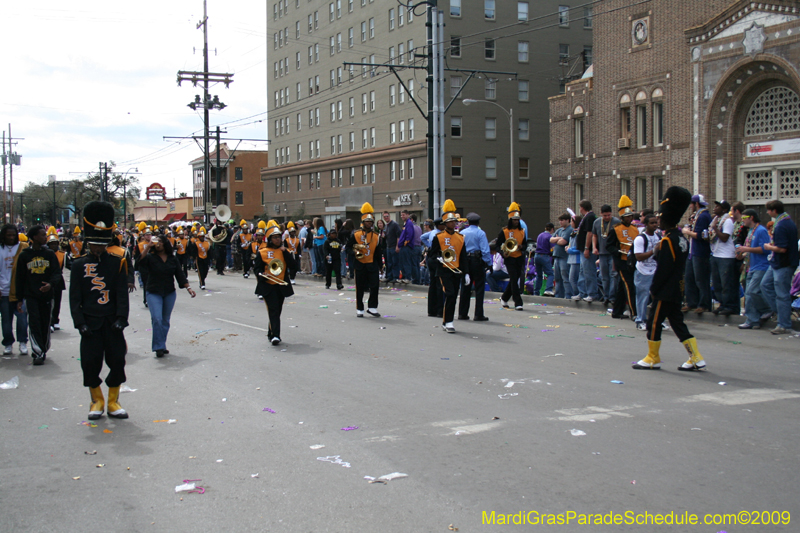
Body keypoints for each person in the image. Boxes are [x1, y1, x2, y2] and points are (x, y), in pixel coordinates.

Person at [633, 187, 706, 371]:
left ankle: (653, 357)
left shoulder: (667, 241)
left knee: (653, 323)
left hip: (665, 289)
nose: (658, 221)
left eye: (660, 218)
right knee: (677, 323)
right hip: (677, 287)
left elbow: (663, 269)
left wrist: (654, 289)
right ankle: (696, 357)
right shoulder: (681, 238)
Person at [69, 201, 131, 420]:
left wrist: (121, 318)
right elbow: (74, 298)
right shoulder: (78, 265)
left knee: (117, 361)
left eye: (101, 244)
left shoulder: (117, 262)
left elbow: (121, 294)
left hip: (112, 322)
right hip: (90, 322)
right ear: (88, 243)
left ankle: (113, 401)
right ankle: (97, 401)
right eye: (94, 244)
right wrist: (80, 323)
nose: (98, 248)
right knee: (90, 363)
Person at [138, 235, 196, 357]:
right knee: (157, 319)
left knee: (165, 320)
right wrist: (147, 247)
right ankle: (158, 347)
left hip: (169, 292)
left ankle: (161, 344)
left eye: (160, 241)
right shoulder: (150, 257)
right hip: (153, 292)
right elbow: (138, 263)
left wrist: (188, 288)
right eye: (156, 241)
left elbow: (179, 274)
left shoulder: (172, 259)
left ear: (165, 244)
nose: (158, 243)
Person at [12, 226, 61, 365]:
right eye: (42, 235)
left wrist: (50, 284)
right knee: (34, 323)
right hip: (31, 295)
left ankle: (43, 347)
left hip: (47, 296)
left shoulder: (49, 254)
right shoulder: (24, 255)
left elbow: (56, 273)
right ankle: (37, 352)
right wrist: (19, 299)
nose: (45, 237)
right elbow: (20, 278)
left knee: (45, 323)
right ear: (34, 237)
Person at [760, 200, 799, 334]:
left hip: (783, 263)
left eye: (768, 210)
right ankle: (782, 313)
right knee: (765, 285)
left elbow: (782, 248)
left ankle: (784, 324)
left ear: (774, 210)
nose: (767, 212)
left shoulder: (782, 225)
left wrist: (768, 247)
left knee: (782, 294)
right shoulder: (785, 222)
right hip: (777, 262)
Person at [253, 222, 295, 345]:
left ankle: (271, 332)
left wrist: (285, 252)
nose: (277, 239)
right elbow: (257, 269)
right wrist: (261, 274)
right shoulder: (262, 252)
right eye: (275, 237)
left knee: (277, 310)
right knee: (273, 310)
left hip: (281, 285)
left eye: (279, 237)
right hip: (268, 285)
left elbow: (293, 266)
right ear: (270, 239)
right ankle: (276, 335)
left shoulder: (285, 251)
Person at [430, 200, 466, 333]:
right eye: (450, 221)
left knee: (454, 296)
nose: (453, 223)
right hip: (444, 270)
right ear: (445, 223)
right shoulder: (438, 237)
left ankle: (446, 321)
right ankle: (449, 321)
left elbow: (463, 256)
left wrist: (466, 272)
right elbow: (432, 255)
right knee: (450, 294)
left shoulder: (461, 237)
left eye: (454, 221)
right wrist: (438, 258)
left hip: (456, 270)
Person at [346, 203, 384, 317]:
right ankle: (360, 308)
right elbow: (347, 247)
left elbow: (378, 252)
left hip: (372, 264)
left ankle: (372, 307)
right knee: (360, 287)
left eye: (371, 221)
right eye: (367, 221)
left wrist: (381, 266)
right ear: (363, 222)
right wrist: (355, 252)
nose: (369, 223)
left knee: (375, 286)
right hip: (360, 264)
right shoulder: (356, 234)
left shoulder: (376, 236)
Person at [737, 209, 772, 330]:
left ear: (751, 217)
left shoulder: (761, 230)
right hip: (751, 265)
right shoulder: (751, 231)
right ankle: (753, 320)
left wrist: (746, 249)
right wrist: (742, 254)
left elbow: (765, 249)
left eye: (744, 218)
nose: (742, 220)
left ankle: (767, 309)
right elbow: (749, 248)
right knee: (748, 294)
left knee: (753, 291)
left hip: (761, 266)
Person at [605, 195, 639, 319]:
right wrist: (619, 252)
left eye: (630, 216)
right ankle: (634, 313)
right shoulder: (616, 229)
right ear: (622, 217)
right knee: (630, 287)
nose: (629, 219)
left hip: (633, 261)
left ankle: (617, 311)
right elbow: (609, 246)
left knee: (622, 287)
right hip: (622, 262)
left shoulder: (635, 229)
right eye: (627, 217)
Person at [681, 194, 712, 314]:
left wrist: (687, 231)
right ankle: (691, 302)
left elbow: (700, 235)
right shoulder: (697, 215)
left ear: (696, 204)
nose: (690, 206)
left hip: (700, 252)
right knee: (689, 278)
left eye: (691, 204)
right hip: (692, 251)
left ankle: (704, 304)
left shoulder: (703, 216)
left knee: (701, 279)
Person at [1, 226, 29, 356]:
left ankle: (22, 342)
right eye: (9, 235)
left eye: (13, 235)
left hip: (19, 291)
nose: (11, 237)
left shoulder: (22, 248)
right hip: (3, 291)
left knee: (22, 318)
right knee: (6, 320)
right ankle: (8, 343)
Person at [458, 212, 491, 321]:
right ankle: (478, 314)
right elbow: (485, 250)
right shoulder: (480, 233)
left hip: (465, 261)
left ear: (468, 222)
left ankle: (462, 313)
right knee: (479, 288)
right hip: (477, 261)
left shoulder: (462, 233)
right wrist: (489, 263)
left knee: (465, 287)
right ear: (478, 222)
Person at [709, 200, 738, 316]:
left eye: (718, 206)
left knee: (726, 283)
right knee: (717, 283)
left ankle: (729, 306)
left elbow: (725, 237)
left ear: (725, 210)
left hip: (726, 256)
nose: (715, 208)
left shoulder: (727, 221)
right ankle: (722, 303)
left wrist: (715, 228)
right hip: (715, 254)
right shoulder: (716, 220)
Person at [498, 203, 527, 311]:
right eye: (514, 220)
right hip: (509, 258)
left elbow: (525, 245)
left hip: (519, 257)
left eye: (517, 220)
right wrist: (502, 253)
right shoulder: (505, 231)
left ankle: (504, 297)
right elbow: (497, 245)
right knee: (514, 279)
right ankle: (518, 302)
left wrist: (521, 246)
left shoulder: (522, 231)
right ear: (510, 220)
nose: (516, 221)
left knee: (515, 279)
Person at [632, 214, 660, 330]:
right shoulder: (640, 238)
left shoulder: (658, 237)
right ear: (646, 224)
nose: (655, 225)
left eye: (656, 222)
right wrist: (654, 251)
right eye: (652, 223)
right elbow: (638, 257)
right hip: (643, 271)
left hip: (655, 270)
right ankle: (640, 320)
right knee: (642, 297)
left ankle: (657, 320)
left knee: (657, 297)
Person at [592, 205, 620, 304]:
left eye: (609, 215)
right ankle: (606, 296)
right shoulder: (597, 222)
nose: (607, 217)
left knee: (613, 275)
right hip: (602, 253)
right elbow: (594, 235)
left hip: (613, 253)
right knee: (604, 276)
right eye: (605, 215)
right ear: (601, 214)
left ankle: (612, 296)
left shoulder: (616, 222)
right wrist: (594, 247)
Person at [46, 227, 70, 332]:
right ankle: (50, 322)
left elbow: (70, 265)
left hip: (58, 281)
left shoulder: (62, 254)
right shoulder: (45, 254)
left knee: (57, 302)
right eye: (52, 244)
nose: (54, 246)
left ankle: (55, 320)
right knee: (50, 302)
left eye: (55, 244)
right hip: (48, 280)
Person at [577, 200, 599, 302]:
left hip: (587, 251)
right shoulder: (587, 217)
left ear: (583, 207)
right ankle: (582, 292)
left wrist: (587, 247)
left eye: (580, 207)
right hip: (583, 250)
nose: (579, 209)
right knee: (583, 272)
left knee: (589, 272)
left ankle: (592, 293)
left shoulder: (590, 217)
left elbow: (589, 233)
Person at [551, 214, 572, 299]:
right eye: (560, 220)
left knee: (565, 277)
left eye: (562, 220)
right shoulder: (559, 230)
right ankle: (558, 296)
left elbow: (563, 242)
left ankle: (568, 295)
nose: (560, 222)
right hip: (556, 256)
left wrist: (557, 239)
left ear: (567, 220)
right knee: (557, 278)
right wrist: (558, 238)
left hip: (564, 257)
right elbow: (551, 239)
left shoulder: (570, 229)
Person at [533, 223, 555, 296]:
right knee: (550, 274)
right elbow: (553, 248)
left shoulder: (540, 235)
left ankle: (536, 292)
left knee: (539, 275)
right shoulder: (549, 236)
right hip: (544, 255)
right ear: (552, 229)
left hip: (536, 255)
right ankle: (548, 289)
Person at [396, 210, 417, 284]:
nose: (402, 216)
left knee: (406, 262)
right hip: (402, 246)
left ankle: (408, 278)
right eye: (401, 215)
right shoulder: (405, 224)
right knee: (402, 262)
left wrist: (406, 242)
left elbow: (409, 234)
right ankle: (403, 277)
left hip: (407, 246)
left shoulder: (409, 223)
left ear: (408, 215)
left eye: (404, 215)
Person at [567, 215, 584, 300]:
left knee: (573, 279)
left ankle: (578, 293)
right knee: (572, 278)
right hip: (571, 259)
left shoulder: (579, 233)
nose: (570, 223)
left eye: (571, 221)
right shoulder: (573, 233)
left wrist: (569, 250)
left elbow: (579, 248)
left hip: (577, 260)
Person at [382, 212, 401, 283]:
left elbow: (398, 236)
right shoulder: (386, 226)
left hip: (394, 246)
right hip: (388, 246)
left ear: (389, 216)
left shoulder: (395, 224)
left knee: (395, 263)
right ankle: (389, 277)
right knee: (389, 263)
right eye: (384, 217)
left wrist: (397, 246)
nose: (386, 218)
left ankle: (395, 277)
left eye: (387, 216)